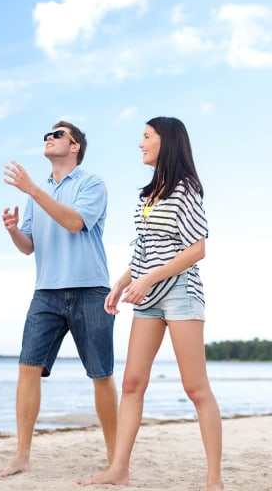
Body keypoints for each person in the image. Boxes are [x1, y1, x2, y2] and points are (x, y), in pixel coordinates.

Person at [79, 117, 224, 490]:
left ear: (167, 142)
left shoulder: (186, 189)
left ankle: (214, 480)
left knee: (195, 388)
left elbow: (197, 249)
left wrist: (147, 279)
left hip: (179, 294)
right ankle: (119, 469)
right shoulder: (149, 193)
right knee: (131, 382)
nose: (140, 144)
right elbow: (145, 250)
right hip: (147, 296)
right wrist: (121, 283)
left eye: (146, 137)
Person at [0, 121, 118, 478]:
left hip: (90, 289)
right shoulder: (38, 192)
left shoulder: (91, 183)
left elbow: (75, 223)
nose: (49, 138)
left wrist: (33, 190)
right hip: (46, 292)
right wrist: (13, 231)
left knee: (101, 374)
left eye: (57, 135)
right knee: (27, 368)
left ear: (75, 146)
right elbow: (29, 246)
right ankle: (21, 455)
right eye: (46, 135)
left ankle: (116, 456)